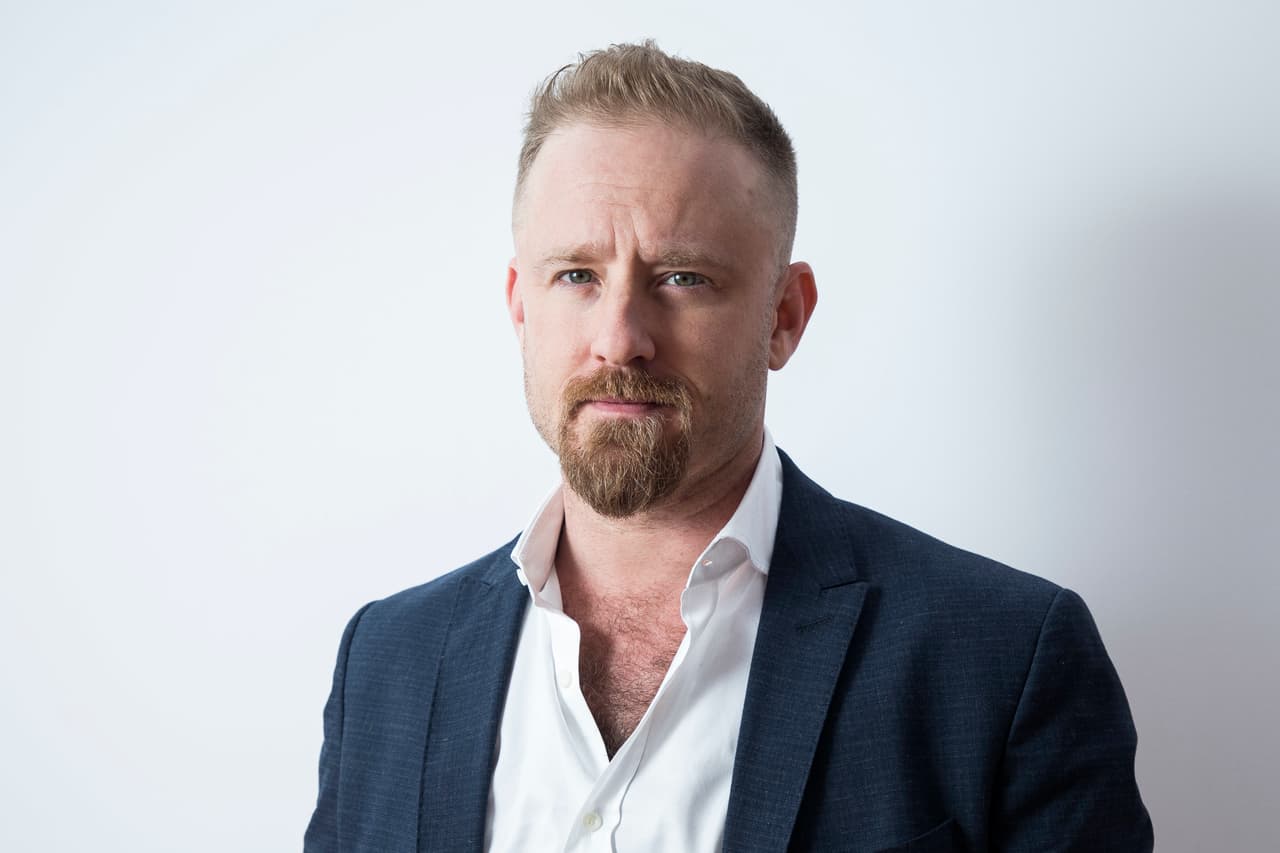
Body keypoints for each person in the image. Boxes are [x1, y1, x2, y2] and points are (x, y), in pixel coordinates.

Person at [305, 42, 1152, 852]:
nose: (621, 338)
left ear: (786, 315)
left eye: (682, 277)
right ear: (519, 303)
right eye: (577, 275)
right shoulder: (387, 662)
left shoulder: (1002, 660)